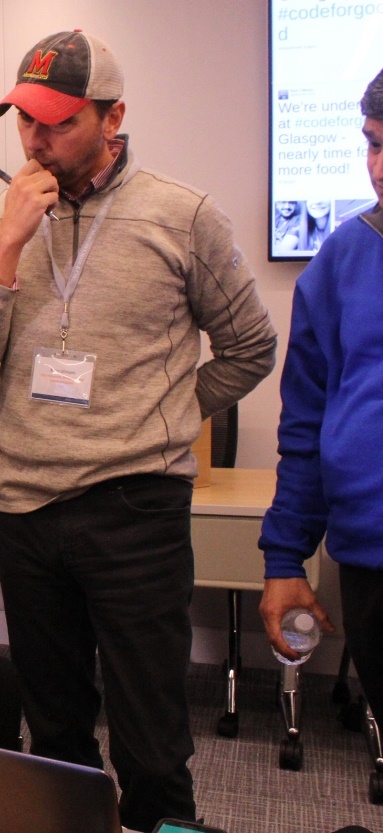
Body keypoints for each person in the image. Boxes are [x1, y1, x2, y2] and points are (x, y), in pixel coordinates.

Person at [0, 30, 277, 831]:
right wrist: (7, 244)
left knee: (151, 742)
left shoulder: (180, 214)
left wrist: (166, 412)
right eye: (24, 119)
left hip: (134, 508)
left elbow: (250, 347)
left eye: (57, 122)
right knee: (53, 732)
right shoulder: (0, 212)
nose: (35, 138)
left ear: (113, 116)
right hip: (24, 503)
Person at [259, 66, 383, 718]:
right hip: (368, 557)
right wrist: (284, 559)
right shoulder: (339, 259)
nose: (380, 167)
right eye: (372, 143)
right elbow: (304, 424)